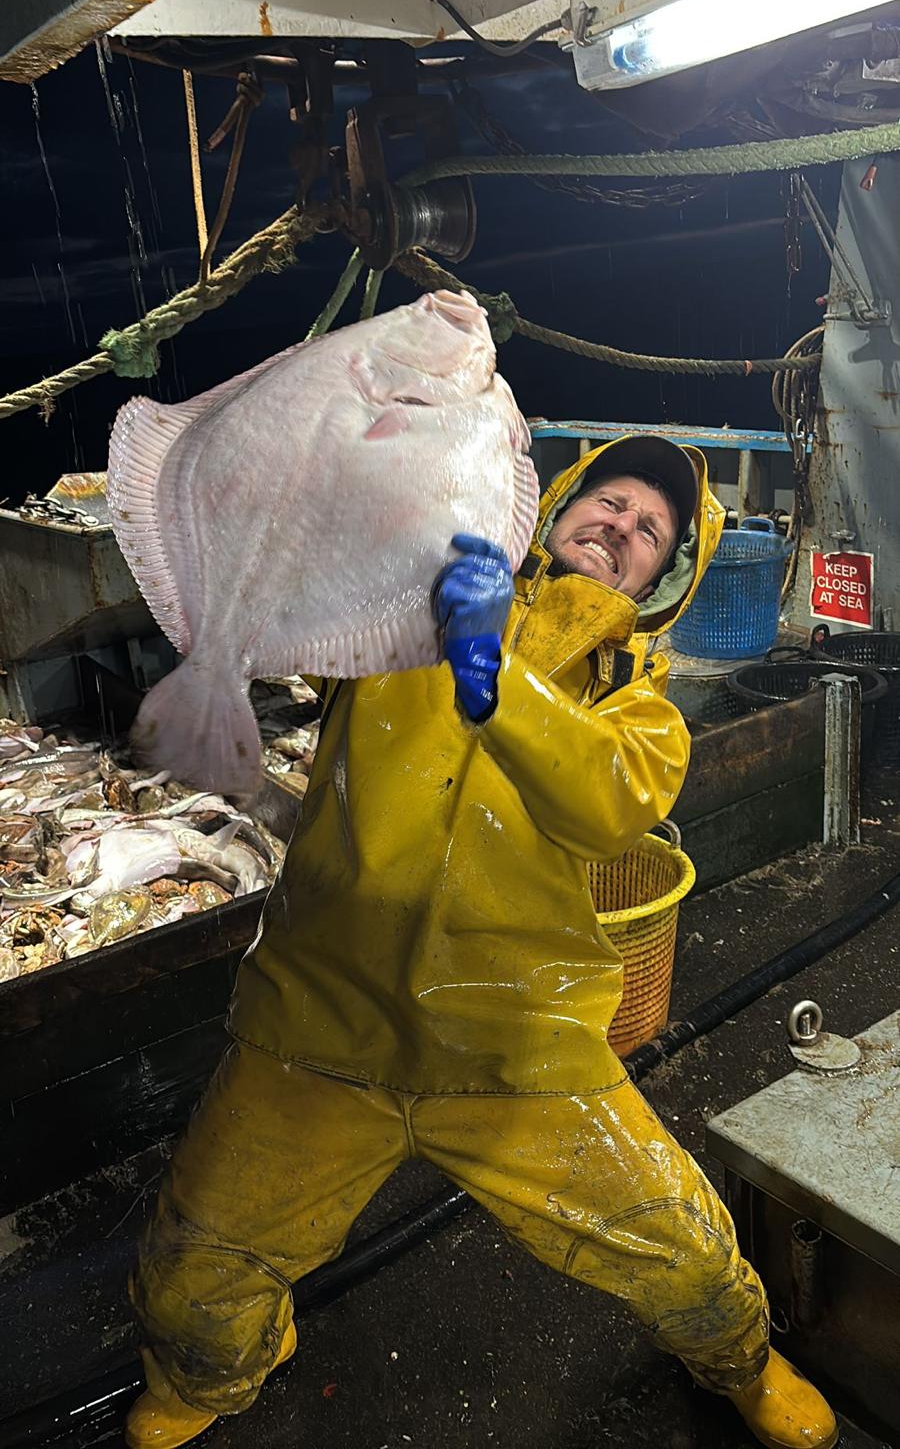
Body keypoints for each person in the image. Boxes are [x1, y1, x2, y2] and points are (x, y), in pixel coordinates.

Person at [125, 435, 837, 1449]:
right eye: (611, 502)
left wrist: (490, 666)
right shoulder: (405, 604)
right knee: (194, 1264)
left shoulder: (642, 706)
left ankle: (744, 1362)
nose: (622, 529)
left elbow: (609, 798)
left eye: (650, 532)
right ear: (554, 506)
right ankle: (208, 1376)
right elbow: (285, 589)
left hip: (519, 1045)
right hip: (323, 1021)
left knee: (678, 1244)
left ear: (665, 575)